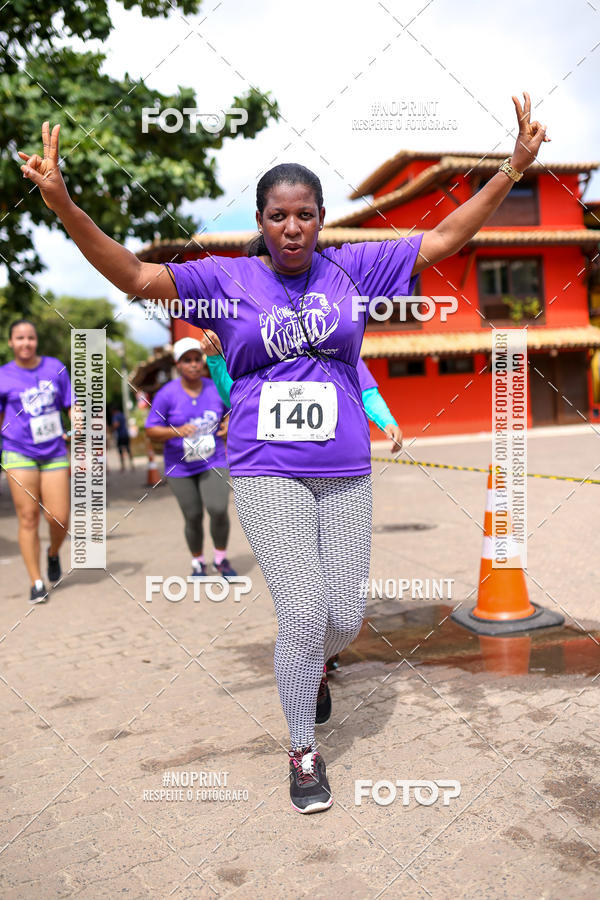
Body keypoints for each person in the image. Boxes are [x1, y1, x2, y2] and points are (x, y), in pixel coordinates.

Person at [19, 94, 548, 812]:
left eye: (304, 214)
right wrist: (65, 205)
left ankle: (319, 668)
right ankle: (303, 750)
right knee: (302, 613)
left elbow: (445, 239)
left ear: (320, 218)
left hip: (347, 471)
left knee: (345, 618)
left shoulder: (352, 271)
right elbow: (137, 276)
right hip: (266, 468)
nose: (292, 227)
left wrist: (511, 168)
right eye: (277, 215)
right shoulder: (224, 280)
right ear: (261, 222)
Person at [199, 328, 403, 450]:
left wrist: (386, 421)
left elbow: (366, 392)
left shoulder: (341, 350)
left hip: (336, 459)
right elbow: (235, 398)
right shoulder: (264, 349)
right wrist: (216, 360)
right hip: (276, 460)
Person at [145, 337, 236, 578]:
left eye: (197, 359)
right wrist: (174, 431)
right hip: (180, 466)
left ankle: (221, 559)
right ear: (178, 364)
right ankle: (198, 561)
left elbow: (231, 408)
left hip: (213, 459)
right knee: (193, 515)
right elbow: (151, 429)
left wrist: (227, 423)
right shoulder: (167, 394)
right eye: (187, 360)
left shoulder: (214, 386)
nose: (194, 364)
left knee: (217, 509)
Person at [0, 320, 72, 603]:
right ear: (10, 343)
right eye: (19, 338)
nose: (25, 343)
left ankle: (53, 552)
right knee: (27, 517)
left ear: (36, 341)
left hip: (53, 451)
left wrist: (77, 420)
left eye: (30, 337)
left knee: (58, 517)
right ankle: (36, 581)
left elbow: (70, 403)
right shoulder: (3, 375)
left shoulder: (55, 368)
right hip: (18, 451)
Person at [111, 406, 134, 471]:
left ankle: (123, 466)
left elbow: (116, 424)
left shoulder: (115, 416)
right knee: (128, 449)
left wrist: (112, 429)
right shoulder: (122, 414)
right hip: (126, 434)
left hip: (120, 435)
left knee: (120, 450)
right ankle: (132, 464)